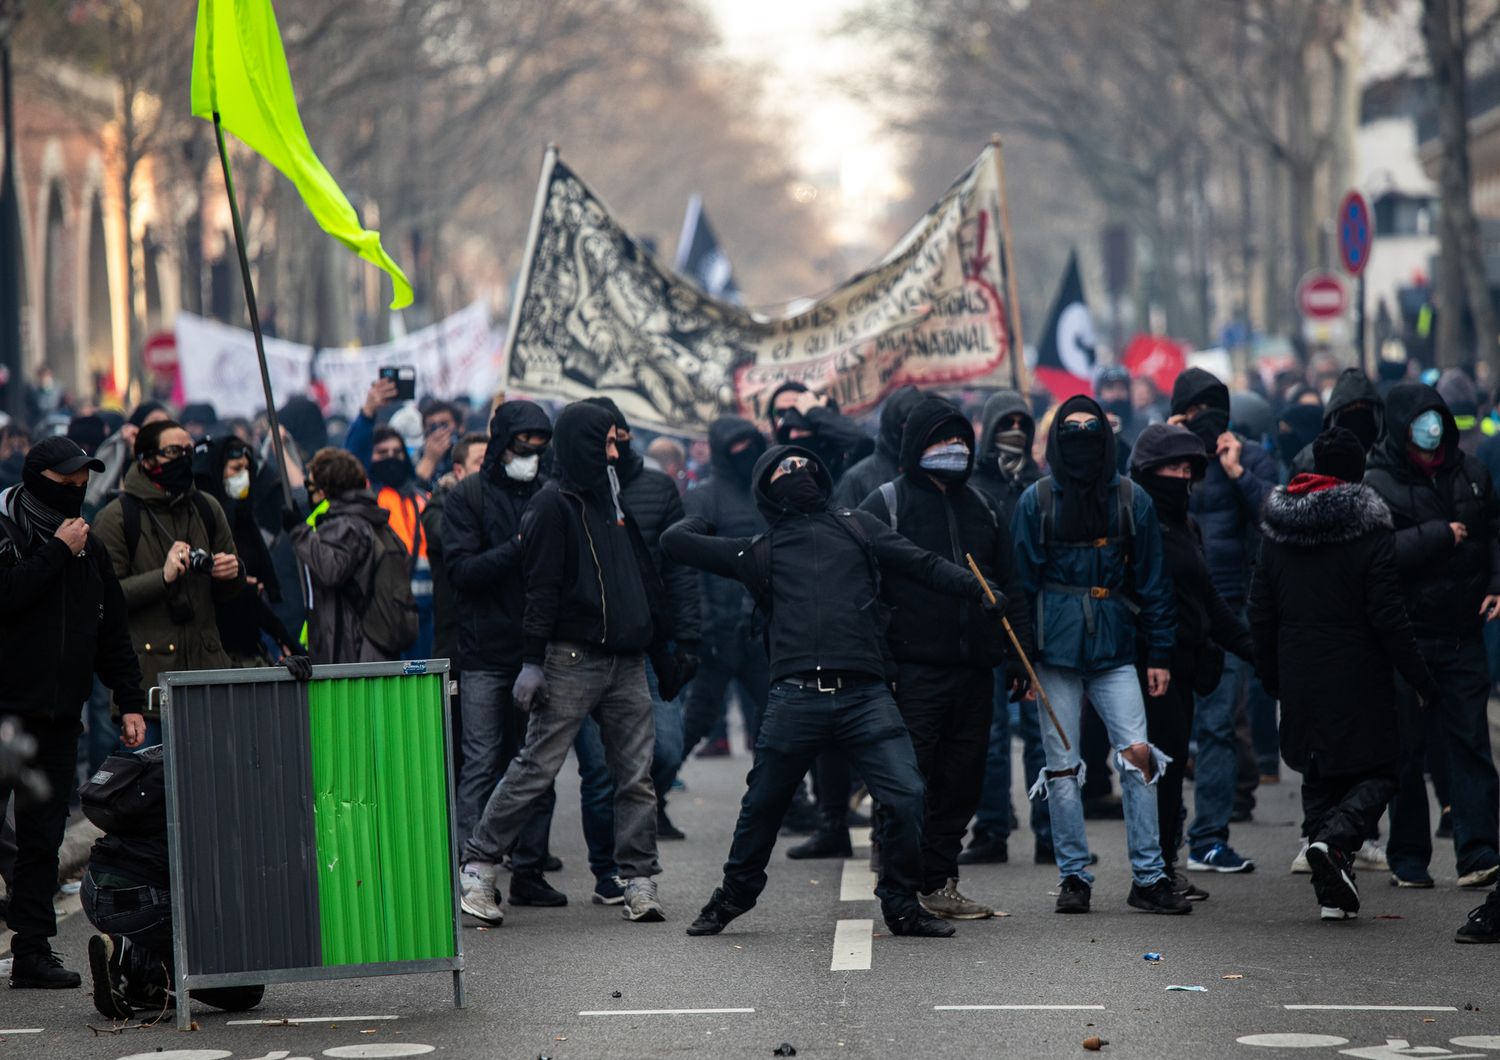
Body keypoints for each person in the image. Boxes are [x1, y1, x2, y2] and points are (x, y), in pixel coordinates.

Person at [663, 443, 1006, 939]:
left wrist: (978, 589)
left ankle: (901, 905)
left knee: (908, 796)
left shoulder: (858, 527)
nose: (798, 471)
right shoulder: (759, 550)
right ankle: (733, 896)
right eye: (785, 469)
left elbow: (924, 564)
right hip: (794, 699)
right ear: (768, 488)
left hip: (865, 696)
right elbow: (676, 541)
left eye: (805, 464)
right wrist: (706, 517)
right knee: (762, 804)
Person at [459, 402, 665, 925]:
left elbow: (633, 573)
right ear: (583, 446)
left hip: (625, 660)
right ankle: (479, 869)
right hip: (571, 658)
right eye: (608, 444)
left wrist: (659, 641)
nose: (617, 453)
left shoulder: (612, 497)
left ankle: (638, 880)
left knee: (635, 775)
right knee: (535, 768)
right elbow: (542, 588)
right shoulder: (553, 505)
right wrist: (533, 661)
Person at [1251, 428, 1441, 920]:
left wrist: (1270, 673)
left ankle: (1332, 889)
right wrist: (1420, 678)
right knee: (1383, 766)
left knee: (1318, 774)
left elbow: (1260, 609)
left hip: (1298, 669)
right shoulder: (1369, 527)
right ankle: (1335, 845)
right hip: (1357, 671)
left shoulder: (1278, 527)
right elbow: (1388, 613)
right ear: (1357, 472)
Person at [857, 397, 1033, 919]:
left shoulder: (983, 507)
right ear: (916, 447)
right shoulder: (884, 505)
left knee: (962, 782)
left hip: (976, 669)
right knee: (910, 784)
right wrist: (880, 666)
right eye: (940, 440)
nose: (952, 449)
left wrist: (1020, 658)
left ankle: (940, 882)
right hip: (912, 672)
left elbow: (1012, 587)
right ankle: (901, 884)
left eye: (959, 440)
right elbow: (861, 594)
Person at [1010, 395, 1187, 915]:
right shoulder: (1036, 501)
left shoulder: (1133, 501)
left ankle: (1151, 876)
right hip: (1053, 654)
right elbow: (1019, 585)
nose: (1083, 434)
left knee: (1138, 758)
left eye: (1092, 426)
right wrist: (1019, 661)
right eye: (1073, 427)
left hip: (1115, 650)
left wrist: (1159, 653)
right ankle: (1073, 878)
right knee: (1062, 769)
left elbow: (1154, 581)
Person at [0, 437, 146, 989]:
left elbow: (110, 629)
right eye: (66, 483)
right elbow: (8, 595)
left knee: (42, 840)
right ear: (38, 479)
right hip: (5, 711)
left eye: (84, 482)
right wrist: (56, 551)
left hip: (59, 715)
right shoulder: (9, 529)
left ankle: (33, 950)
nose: (78, 492)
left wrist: (128, 699)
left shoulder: (89, 547)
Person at [1363, 383, 1500, 891]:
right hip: (1407, 638)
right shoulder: (1376, 483)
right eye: (1420, 420)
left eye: (1436, 418)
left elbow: (1493, 534)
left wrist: (1495, 584)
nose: (1432, 429)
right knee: (1405, 751)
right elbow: (1378, 555)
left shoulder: (1473, 474)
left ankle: (1479, 850)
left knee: (1470, 745)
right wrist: (1439, 535)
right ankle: (1409, 856)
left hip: (1463, 633)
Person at [443, 404, 563, 912]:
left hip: (541, 649)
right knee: (482, 763)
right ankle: (474, 874)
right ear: (502, 442)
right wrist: (519, 547)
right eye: (522, 441)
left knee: (539, 764)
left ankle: (530, 869)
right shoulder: (468, 496)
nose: (531, 453)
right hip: (486, 654)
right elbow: (462, 571)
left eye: (540, 441)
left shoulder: (550, 491)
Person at [1129, 423, 1255, 901]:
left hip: (1184, 666)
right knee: (1154, 771)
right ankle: (1151, 875)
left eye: (1188, 469)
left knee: (1173, 765)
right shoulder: (1136, 522)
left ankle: (1164, 864)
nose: (1181, 477)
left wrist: (1252, 650)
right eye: (1172, 467)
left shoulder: (1187, 525)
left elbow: (1208, 600)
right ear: (1148, 471)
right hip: (1148, 667)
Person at [577, 398, 700, 844]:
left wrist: (687, 638)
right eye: (606, 440)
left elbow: (679, 570)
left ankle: (652, 808)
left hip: (648, 647)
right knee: (599, 769)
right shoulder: (565, 495)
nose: (615, 449)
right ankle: (616, 866)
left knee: (666, 749)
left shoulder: (657, 488)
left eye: (620, 437)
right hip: (585, 648)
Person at [1168, 368, 1276, 874]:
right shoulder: (1164, 456)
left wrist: (1236, 472)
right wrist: (1166, 452)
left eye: (1214, 411)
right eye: (1194, 412)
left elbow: (1276, 516)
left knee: (1217, 727)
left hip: (1229, 609)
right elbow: (1131, 507)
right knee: (1165, 730)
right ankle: (1162, 841)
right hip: (1170, 610)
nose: (1205, 422)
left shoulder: (1248, 457)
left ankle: (1208, 837)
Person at [81, 746, 264, 1018]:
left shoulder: (161, 756)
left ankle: (138, 981)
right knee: (246, 990)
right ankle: (131, 958)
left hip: (95, 887)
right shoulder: (214, 773)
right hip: (141, 901)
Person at [93, 421, 244, 747]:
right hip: (148, 690)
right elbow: (104, 599)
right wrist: (162, 577)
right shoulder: (117, 517)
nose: (184, 459)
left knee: (211, 787)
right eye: (174, 452)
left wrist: (232, 572)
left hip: (207, 680)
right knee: (150, 791)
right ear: (147, 459)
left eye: (189, 451)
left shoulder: (206, 507)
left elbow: (230, 592)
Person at [964, 389, 1050, 865]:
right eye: (1006, 422)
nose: (1014, 429)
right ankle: (991, 829)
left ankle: (1050, 833)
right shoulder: (973, 484)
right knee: (989, 737)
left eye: (1023, 421)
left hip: (1034, 621)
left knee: (1042, 738)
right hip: (986, 623)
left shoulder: (1039, 484)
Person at [677, 417, 772, 761]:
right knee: (696, 721)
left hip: (761, 633)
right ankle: (650, 801)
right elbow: (688, 567)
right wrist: (703, 627)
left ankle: (795, 810)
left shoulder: (767, 495)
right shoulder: (703, 498)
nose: (743, 453)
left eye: (748, 445)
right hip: (719, 635)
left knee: (780, 723)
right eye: (735, 446)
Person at [288, 447, 407, 664]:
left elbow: (332, 570)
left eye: (311, 486)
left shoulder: (346, 525)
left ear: (324, 490)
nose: (310, 493)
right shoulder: (371, 520)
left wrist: (299, 532)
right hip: (372, 644)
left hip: (350, 647)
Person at [193, 435, 299, 667]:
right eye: (236, 468)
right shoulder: (205, 518)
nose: (243, 476)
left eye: (247, 469)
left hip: (249, 637)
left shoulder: (245, 517)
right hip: (218, 646)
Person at [833, 384, 924, 509]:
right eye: (906, 422)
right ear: (892, 424)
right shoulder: (857, 478)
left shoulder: (935, 469)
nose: (912, 428)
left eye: (919, 420)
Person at [766, 381, 866, 483]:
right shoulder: (770, 467)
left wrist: (816, 412)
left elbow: (862, 443)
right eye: (780, 412)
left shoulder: (842, 460)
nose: (788, 417)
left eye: (796, 409)